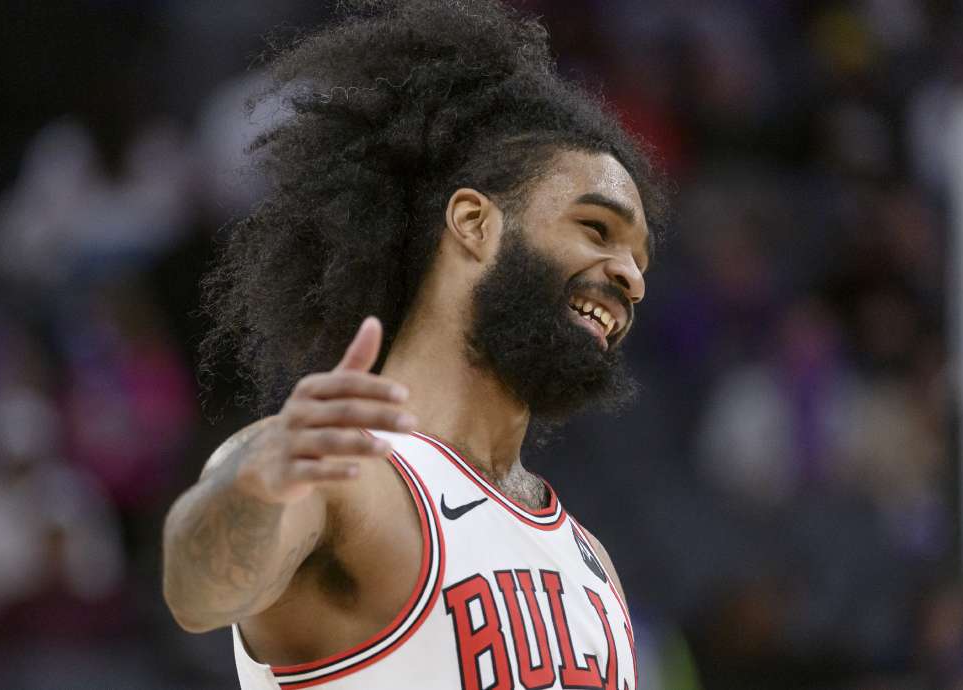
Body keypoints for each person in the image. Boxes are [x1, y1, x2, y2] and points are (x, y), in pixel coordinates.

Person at [161, 1, 668, 688]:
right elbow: (198, 594)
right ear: (472, 223)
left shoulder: (591, 562)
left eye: (641, 258)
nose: (632, 278)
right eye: (597, 229)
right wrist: (250, 488)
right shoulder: (343, 473)